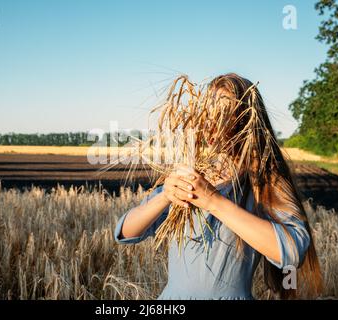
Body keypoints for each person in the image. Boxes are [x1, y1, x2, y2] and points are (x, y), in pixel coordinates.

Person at [113, 73, 323, 300]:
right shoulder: (191, 171)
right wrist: (165, 196)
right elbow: (125, 233)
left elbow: (292, 252)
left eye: (223, 112)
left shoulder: (263, 180)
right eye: (208, 110)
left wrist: (212, 201)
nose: (211, 121)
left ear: (246, 121)